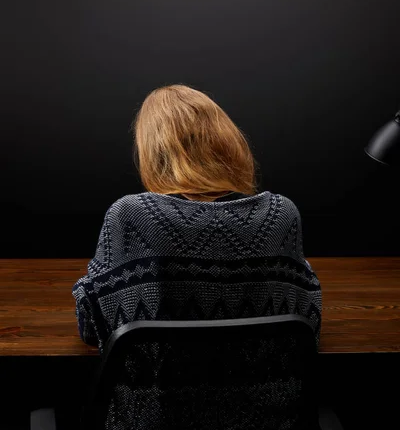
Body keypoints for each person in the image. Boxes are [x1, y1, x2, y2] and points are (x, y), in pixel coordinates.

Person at [72, 84, 322, 352]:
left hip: (161, 391)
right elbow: (310, 322)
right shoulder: (280, 213)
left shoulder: (132, 215)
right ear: (228, 141)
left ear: (154, 151)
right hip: (273, 390)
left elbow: (91, 327)